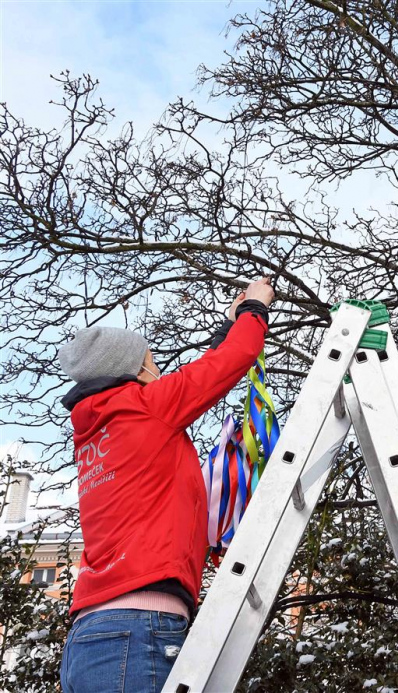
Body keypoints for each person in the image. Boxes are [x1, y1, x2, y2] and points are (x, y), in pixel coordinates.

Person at [58, 277, 275, 693]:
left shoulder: (98, 431)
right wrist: (254, 311)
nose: (160, 372)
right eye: (154, 362)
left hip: (89, 637)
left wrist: (228, 326)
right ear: (136, 372)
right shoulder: (145, 408)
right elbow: (229, 362)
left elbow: (198, 373)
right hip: (138, 633)